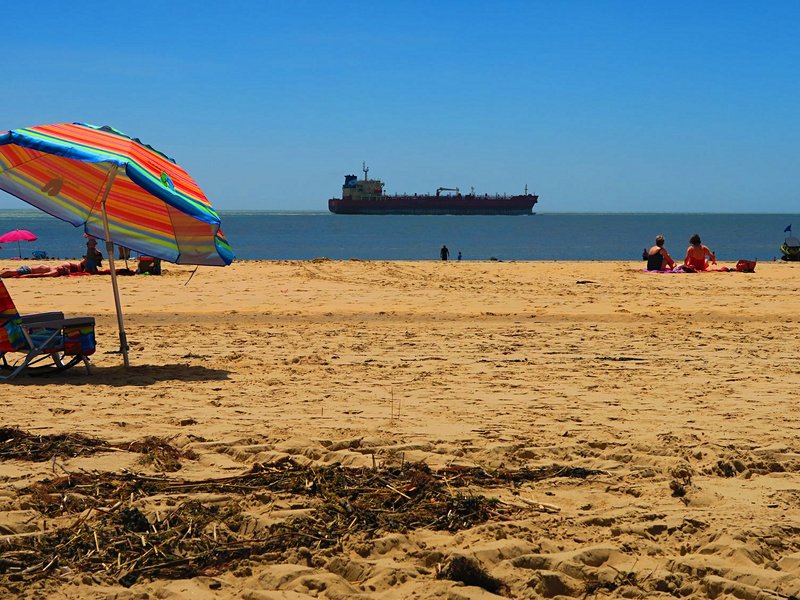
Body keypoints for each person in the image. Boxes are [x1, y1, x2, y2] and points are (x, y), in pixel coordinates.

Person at [0, 261, 85, 278]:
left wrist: (27, 276)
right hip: (27, 267)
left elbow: (41, 275)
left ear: (61, 271)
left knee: (7, 272)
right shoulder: (55, 268)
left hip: (28, 271)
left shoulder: (54, 272)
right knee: (6, 270)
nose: (61, 266)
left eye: (63, 268)